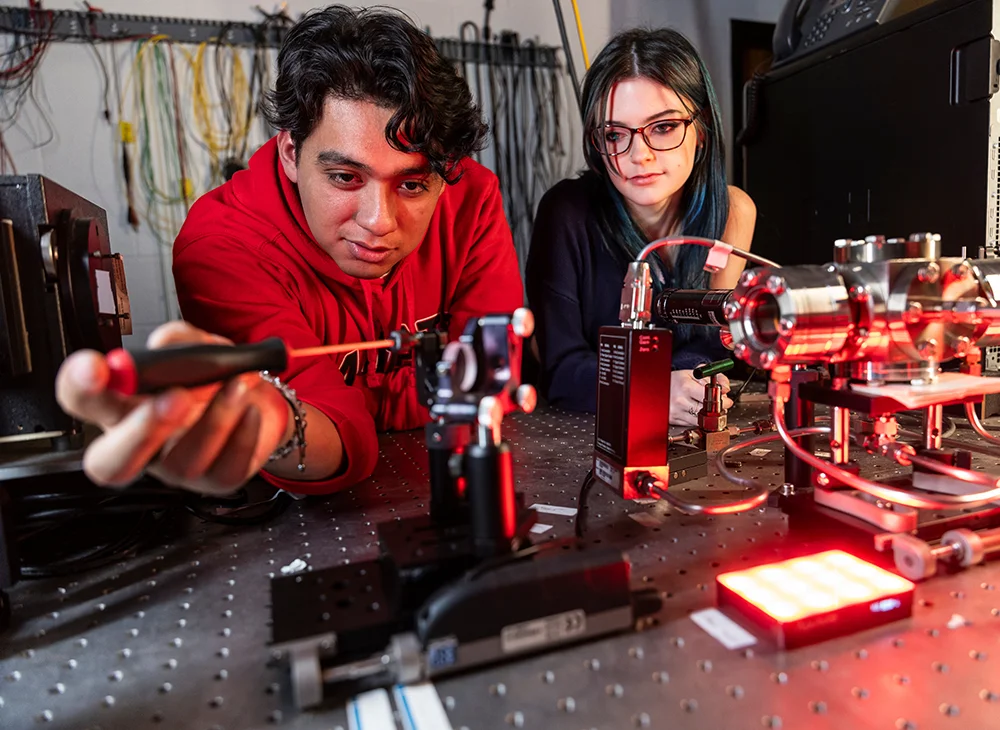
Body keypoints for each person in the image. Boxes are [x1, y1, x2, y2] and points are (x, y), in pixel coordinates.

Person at [55, 5, 523, 496]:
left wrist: (359, 400)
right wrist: (278, 425)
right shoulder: (221, 247)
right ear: (291, 154)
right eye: (345, 177)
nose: (378, 222)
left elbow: (492, 385)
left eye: (412, 186)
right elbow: (338, 432)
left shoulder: (470, 193)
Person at [526, 27, 756, 425]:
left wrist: (687, 385)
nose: (640, 155)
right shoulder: (565, 213)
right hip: (584, 430)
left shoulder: (733, 211)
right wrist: (650, 390)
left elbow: (715, 346)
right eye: (615, 134)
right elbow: (561, 369)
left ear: (700, 129)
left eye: (663, 127)